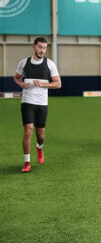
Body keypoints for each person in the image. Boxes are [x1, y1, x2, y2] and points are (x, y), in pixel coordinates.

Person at [14, 37, 61, 173]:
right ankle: (27, 162)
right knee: (28, 130)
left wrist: (42, 84)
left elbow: (58, 84)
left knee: (40, 134)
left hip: (42, 103)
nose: (42, 50)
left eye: (44, 48)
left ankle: (39, 147)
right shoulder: (24, 63)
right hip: (27, 102)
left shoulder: (50, 64)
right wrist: (20, 83)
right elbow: (16, 77)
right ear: (34, 47)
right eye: (40, 47)